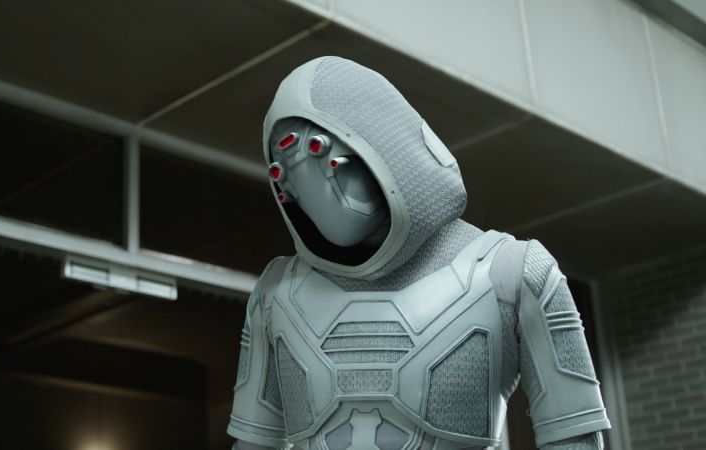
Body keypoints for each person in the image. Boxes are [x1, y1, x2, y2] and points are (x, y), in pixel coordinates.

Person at [228, 56, 610, 450]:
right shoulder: (276, 293)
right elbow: (253, 444)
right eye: (286, 170)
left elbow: (575, 436)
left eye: (320, 153)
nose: (316, 188)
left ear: (384, 145)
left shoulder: (513, 274)